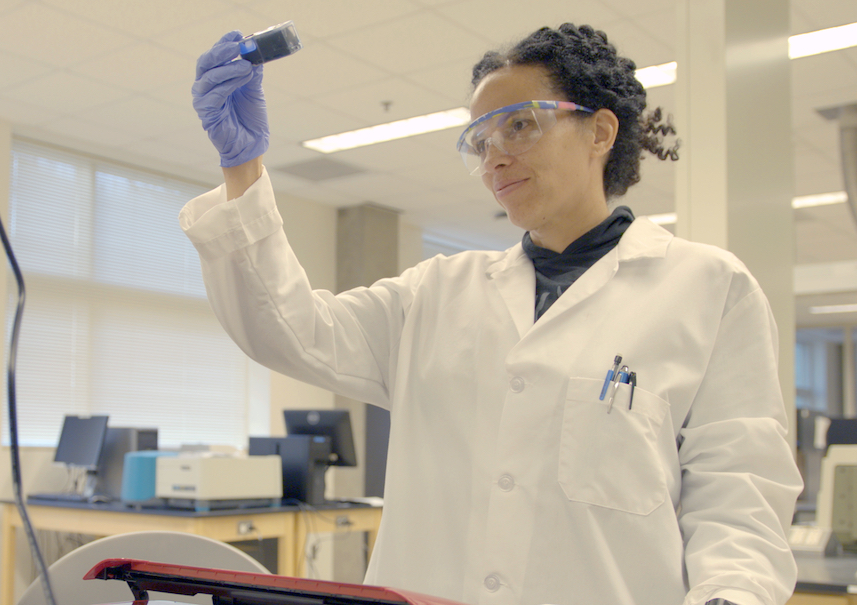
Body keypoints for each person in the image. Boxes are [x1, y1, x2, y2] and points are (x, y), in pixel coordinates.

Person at [182, 23, 802, 605]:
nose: (494, 158)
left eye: (519, 127)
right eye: (479, 142)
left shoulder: (708, 289)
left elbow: (740, 497)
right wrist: (242, 168)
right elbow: (288, 332)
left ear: (601, 132)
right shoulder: (435, 293)